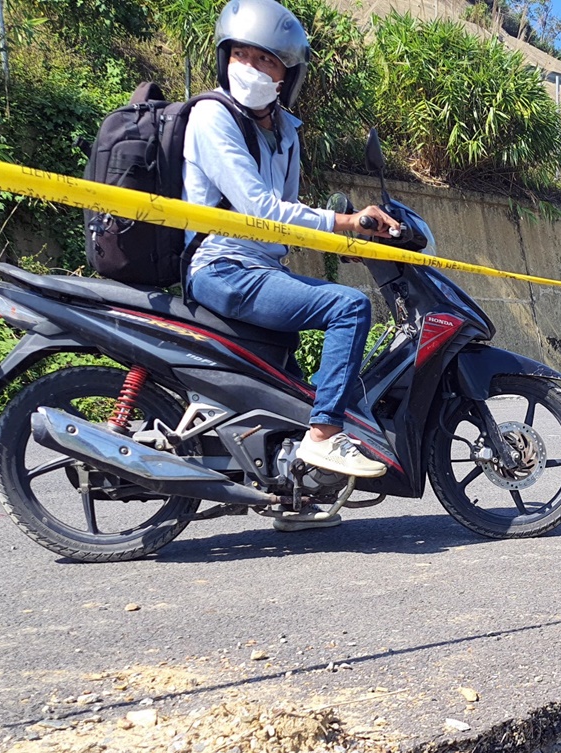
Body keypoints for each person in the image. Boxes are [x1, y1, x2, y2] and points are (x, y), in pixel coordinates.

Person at [183, 0, 399, 490]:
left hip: (260, 269)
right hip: (222, 267)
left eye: (266, 60)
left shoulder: (285, 132)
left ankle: (292, 496)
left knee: (294, 386)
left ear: (288, 74)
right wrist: (344, 221)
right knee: (349, 308)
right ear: (224, 58)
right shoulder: (211, 119)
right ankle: (323, 436)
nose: (250, 68)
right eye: (241, 55)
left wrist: (348, 237)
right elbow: (262, 210)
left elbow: (287, 218)